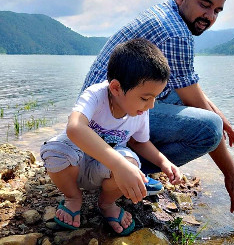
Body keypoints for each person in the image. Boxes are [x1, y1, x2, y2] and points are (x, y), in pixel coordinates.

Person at [81, 0, 234, 218]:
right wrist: (232, 175)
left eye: (217, 10)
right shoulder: (176, 34)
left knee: (200, 112)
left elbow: (191, 88)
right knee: (209, 129)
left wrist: (224, 119)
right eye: (205, 4)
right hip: (103, 118)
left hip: (103, 105)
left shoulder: (168, 12)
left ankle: (127, 162)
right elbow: (201, 108)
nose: (210, 17)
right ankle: (127, 172)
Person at [40, 39, 182, 234]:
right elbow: (74, 128)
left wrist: (163, 162)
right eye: (145, 98)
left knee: (132, 162)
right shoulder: (95, 96)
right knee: (55, 149)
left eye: (155, 98)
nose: (151, 105)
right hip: (75, 166)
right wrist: (118, 164)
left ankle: (106, 203)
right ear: (116, 88)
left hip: (103, 172)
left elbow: (140, 143)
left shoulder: (140, 112)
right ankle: (73, 198)